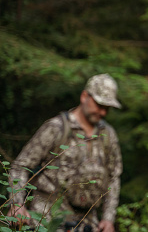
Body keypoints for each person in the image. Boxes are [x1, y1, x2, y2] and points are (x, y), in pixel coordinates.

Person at [8, 74, 123, 232]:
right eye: (99, 104)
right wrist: (17, 204)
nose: (103, 112)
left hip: (88, 221)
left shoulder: (108, 135)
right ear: (84, 96)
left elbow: (113, 178)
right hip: (48, 219)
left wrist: (108, 219)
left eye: (107, 108)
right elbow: (21, 166)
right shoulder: (56, 128)